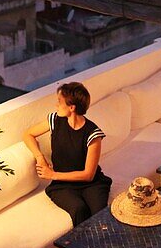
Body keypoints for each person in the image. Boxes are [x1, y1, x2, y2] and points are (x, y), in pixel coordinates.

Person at [23, 81, 112, 226]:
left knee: (100, 216)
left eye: (59, 101)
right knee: (79, 209)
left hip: (92, 184)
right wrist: (39, 157)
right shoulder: (54, 120)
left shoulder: (93, 134)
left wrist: (52, 175)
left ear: (72, 107)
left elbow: (88, 175)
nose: (56, 105)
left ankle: (103, 246)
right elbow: (28, 134)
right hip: (62, 185)